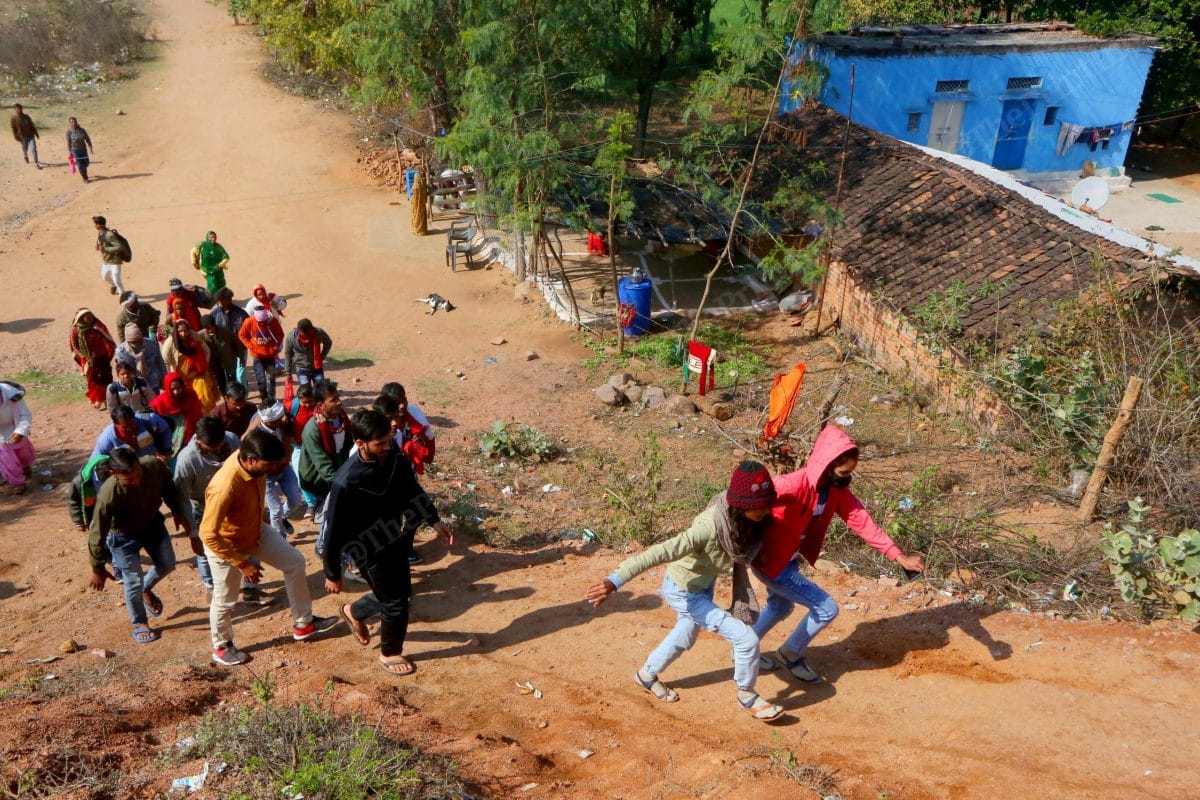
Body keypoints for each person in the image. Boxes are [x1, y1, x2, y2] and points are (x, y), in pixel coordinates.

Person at [586, 461, 784, 722]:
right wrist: (614, 581)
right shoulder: (708, 528)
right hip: (684, 592)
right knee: (746, 639)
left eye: (767, 503)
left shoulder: (746, 521)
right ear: (741, 505)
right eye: (760, 506)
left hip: (702, 586)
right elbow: (660, 552)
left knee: (686, 635)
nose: (766, 510)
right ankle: (747, 695)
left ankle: (646, 675)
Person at [752, 425, 926, 682]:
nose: (847, 478)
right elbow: (744, 499)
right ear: (827, 465)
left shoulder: (835, 492)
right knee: (826, 609)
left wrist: (898, 556)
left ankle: (743, 648)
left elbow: (862, 521)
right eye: (844, 472)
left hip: (786, 560)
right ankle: (790, 653)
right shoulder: (791, 484)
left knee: (780, 605)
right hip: (772, 563)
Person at [324, 409, 454, 676]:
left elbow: (412, 491)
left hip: (394, 536)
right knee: (395, 602)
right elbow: (333, 531)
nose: (386, 446)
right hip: (366, 547)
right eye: (380, 443)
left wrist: (434, 520)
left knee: (400, 593)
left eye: (388, 440)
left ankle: (354, 612)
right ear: (360, 443)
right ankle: (389, 653)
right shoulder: (346, 481)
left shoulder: (394, 458)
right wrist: (332, 573)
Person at [201, 430, 338, 666]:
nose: (275, 469)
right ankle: (221, 647)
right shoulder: (224, 486)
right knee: (225, 600)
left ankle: (304, 624)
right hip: (226, 545)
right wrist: (242, 563)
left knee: (294, 562)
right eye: (271, 464)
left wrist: (262, 519)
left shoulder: (255, 465)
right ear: (251, 460)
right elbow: (208, 534)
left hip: (255, 530)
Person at [88, 447, 193, 644]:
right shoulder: (108, 494)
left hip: (152, 524)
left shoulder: (153, 466)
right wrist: (97, 567)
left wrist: (177, 511)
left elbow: (169, 487)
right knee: (132, 581)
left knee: (168, 564)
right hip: (123, 537)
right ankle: (140, 623)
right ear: (114, 474)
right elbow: (97, 532)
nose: (136, 481)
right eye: (129, 479)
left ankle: (144, 589)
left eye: (138, 474)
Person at [174, 416, 263, 601]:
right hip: (205, 510)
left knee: (251, 540)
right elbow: (181, 499)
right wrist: (192, 533)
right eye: (211, 446)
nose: (217, 448)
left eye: (220, 443)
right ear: (198, 440)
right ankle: (211, 587)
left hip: (237, 507)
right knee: (206, 551)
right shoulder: (187, 460)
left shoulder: (232, 440)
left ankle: (251, 590)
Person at [243, 401, 304, 537]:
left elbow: (288, 448)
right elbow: (244, 443)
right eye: (279, 418)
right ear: (269, 421)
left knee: (296, 501)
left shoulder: (284, 423)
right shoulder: (257, 434)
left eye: (283, 414)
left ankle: (281, 518)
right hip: (266, 475)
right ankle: (280, 538)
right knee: (276, 510)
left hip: (283, 467)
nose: (284, 418)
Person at [299, 383, 351, 531]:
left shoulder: (342, 420)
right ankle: (324, 542)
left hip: (339, 473)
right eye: (333, 400)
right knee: (329, 519)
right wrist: (343, 486)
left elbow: (348, 446)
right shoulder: (312, 429)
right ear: (320, 405)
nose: (339, 402)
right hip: (319, 481)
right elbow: (324, 467)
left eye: (338, 398)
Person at [162, 319, 220, 412]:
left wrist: (204, 364)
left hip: (196, 375)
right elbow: (166, 361)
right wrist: (172, 378)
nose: (183, 334)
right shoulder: (170, 343)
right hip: (180, 379)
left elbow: (207, 351)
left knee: (205, 396)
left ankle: (209, 417)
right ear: (176, 331)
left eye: (185, 331)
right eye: (180, 331)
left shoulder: (195, 337)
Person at [69, 307, 116, 409]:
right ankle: (97, 398)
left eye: (90, 316)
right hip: (87, 359)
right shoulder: (75, 329)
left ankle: (106, 399)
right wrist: (84, 357)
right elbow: (74, 345)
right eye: (86, 317)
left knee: (105, 377)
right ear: (81, 318)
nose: (89, 318)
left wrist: (109, 350)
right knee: (92, 379)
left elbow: (107, 337)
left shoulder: (97, 325)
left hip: (101, 356)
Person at [92, 404, 173, 461]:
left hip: (155, 463)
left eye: (133, 424)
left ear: (134, 417)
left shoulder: (150, 420)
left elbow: (165, 431)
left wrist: (165, 450)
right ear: (115, 424)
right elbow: (96, 460)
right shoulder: (106, 438)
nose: (130, 429)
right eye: (125, 427)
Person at [150, 372, 204, 456]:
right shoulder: (158, 404)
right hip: (171, 445)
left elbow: (198, 416)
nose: (176, 392)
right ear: (167, 388)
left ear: (183, 386)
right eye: (172, 389)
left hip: (193, 438)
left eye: (179, 388)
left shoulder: (190, 395)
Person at [238, 308, 284, 404]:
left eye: (263, 322)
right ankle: (264, 400)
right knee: (261, 381)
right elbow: (241, 335)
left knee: (271, 378)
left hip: (270, 356)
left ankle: (272, 399)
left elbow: (280, 335)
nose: (261, 324)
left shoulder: (273, 321)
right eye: (259, 322)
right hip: (257, 357)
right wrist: (250, 346)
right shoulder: (249, 321)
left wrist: (275, 347)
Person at [289, 383, 319, 518]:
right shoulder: (292, 406)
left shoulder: (320, 406)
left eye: (310, 402)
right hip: (299, 447)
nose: (307, 405)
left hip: (317, 447)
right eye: (304, 402)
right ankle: (310, 504)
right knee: (301, 476)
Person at [0, 380, 35, 495]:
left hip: (16, 425)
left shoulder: (12, 394)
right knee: (7, 460)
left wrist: (21, 431)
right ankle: (18, 482)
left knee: (24, 454)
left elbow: (25, 414)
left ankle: (25, 466)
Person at [211, 288, 250, 385]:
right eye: (219, 300)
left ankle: (243, 391)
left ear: (229, 299)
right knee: (230, 375)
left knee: (240, 374)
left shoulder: (241, 314)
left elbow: (249, 330)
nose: (220, 302)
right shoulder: (215, 314)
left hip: (241, 348)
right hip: (225, 350)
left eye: (222, 300)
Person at [115, 323, 167, 392]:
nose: (137, 343)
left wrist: (165, 380)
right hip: (134, 387)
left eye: (139, 340)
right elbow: (123, 372)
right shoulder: (121, 352)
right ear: (128, 341)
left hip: (153, 383)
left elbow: (160, 363)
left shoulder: (152, 344)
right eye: (134, 342)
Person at [283, 318, 332, 387]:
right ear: (298, 330)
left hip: (316, 368)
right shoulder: (291, 337)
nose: (306, 336)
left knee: (320, 389)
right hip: (301, 369)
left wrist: (321, 357)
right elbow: (288, 354)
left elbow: (328, 343)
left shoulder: (319, 333)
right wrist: (288, 373)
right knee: (305, 390)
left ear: (312, 329)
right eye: (304, 334)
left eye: (308, 334)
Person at [200, 313, 238, 394]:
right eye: (207, 328)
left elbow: (235, 343)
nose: (210, 330)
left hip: (228, 360)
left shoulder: (225, 331)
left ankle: (233, 395)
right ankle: (225, 396)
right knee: (221, 381)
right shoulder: (201, 335)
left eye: (212, 327)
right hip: (215, 362)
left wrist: (238, 356)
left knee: (232, 381)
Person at [92, 216, 125, 295]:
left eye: (95, 224)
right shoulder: (100, 233)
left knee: (117, 281)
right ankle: (113, 285)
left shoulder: (109, 235)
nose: (94, 226)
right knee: (105, 277)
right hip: (106, 261)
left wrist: (104, 249)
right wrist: (99, 247)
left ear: (99, 225)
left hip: (115, 261)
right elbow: (103, 244)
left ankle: (123, 297)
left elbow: (119, 247)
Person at [10, 104, 41, 169]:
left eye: (20, 108)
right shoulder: (13, 118)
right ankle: (25, 155)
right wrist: (15, 136)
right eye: (17, 109)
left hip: (31, 135)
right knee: (25, 149)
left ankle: (36, 163)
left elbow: (32, 125)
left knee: (34, 149)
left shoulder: (26, 116)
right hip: (23, 137)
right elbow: (13, 128)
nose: (19, 110)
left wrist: (36, 134)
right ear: (15, 110)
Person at [67, 117, 94, 182]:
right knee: (80, 165)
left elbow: (87, 139)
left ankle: (84, 172)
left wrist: (90, 148)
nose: (74, 123)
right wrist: (70, 152)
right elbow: (69, 142)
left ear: (77, 122)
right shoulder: (69, 132)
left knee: (86, 163)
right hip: (75, 150)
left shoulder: (82, 130)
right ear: (70, 123)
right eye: (72, 122)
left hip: (83, 149)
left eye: (75, 122)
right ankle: (85, 178)